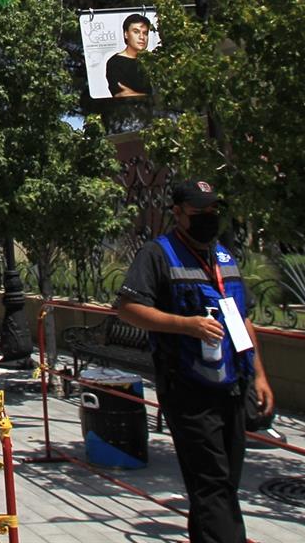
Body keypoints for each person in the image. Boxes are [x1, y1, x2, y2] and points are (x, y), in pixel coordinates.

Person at [115, 180, 274, 543]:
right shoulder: (158, 254)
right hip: (188, 388)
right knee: (211, 482)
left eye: (213, 211)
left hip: (233, 385)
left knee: (225, 481)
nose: (208, 218)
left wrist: (260, 375)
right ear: (178, 213)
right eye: (199, 212)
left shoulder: (223, 256)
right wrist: (185, 326)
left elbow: (243, 318)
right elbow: (126, 308)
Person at [107, 13, 154, 99]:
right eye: (136, 32)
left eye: (145, 33)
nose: (142, 37)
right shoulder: (115, 63)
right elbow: (122, 95)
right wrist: (150, 97)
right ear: (126, 34)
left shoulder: (153, 62)